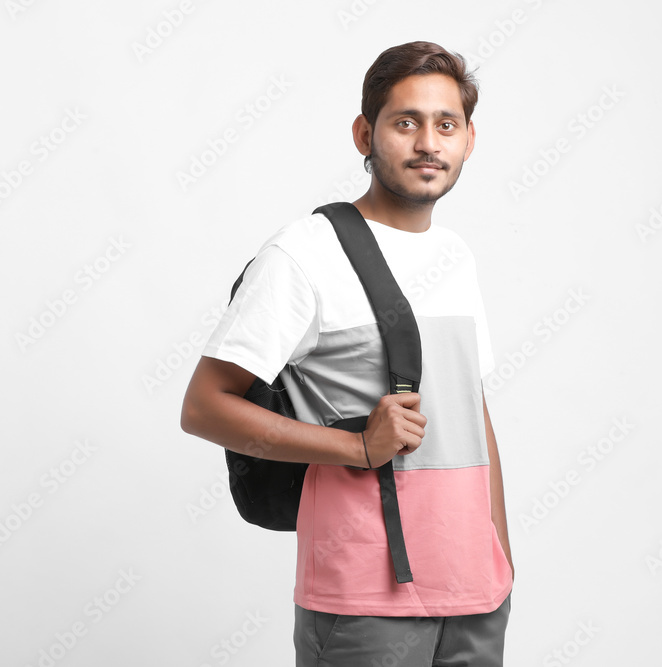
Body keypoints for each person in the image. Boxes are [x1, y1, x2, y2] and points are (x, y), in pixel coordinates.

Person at [180, 40, 514, 667]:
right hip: (365, 595)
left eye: (446, 125)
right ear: (365, 134)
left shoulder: (456, 256)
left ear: (469, 140)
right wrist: (358, 447)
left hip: (475, 588)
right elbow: (204, 407)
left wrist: (500, 552)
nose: (428, 143)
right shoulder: (303, 254)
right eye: (406, 122)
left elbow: (473, 411)